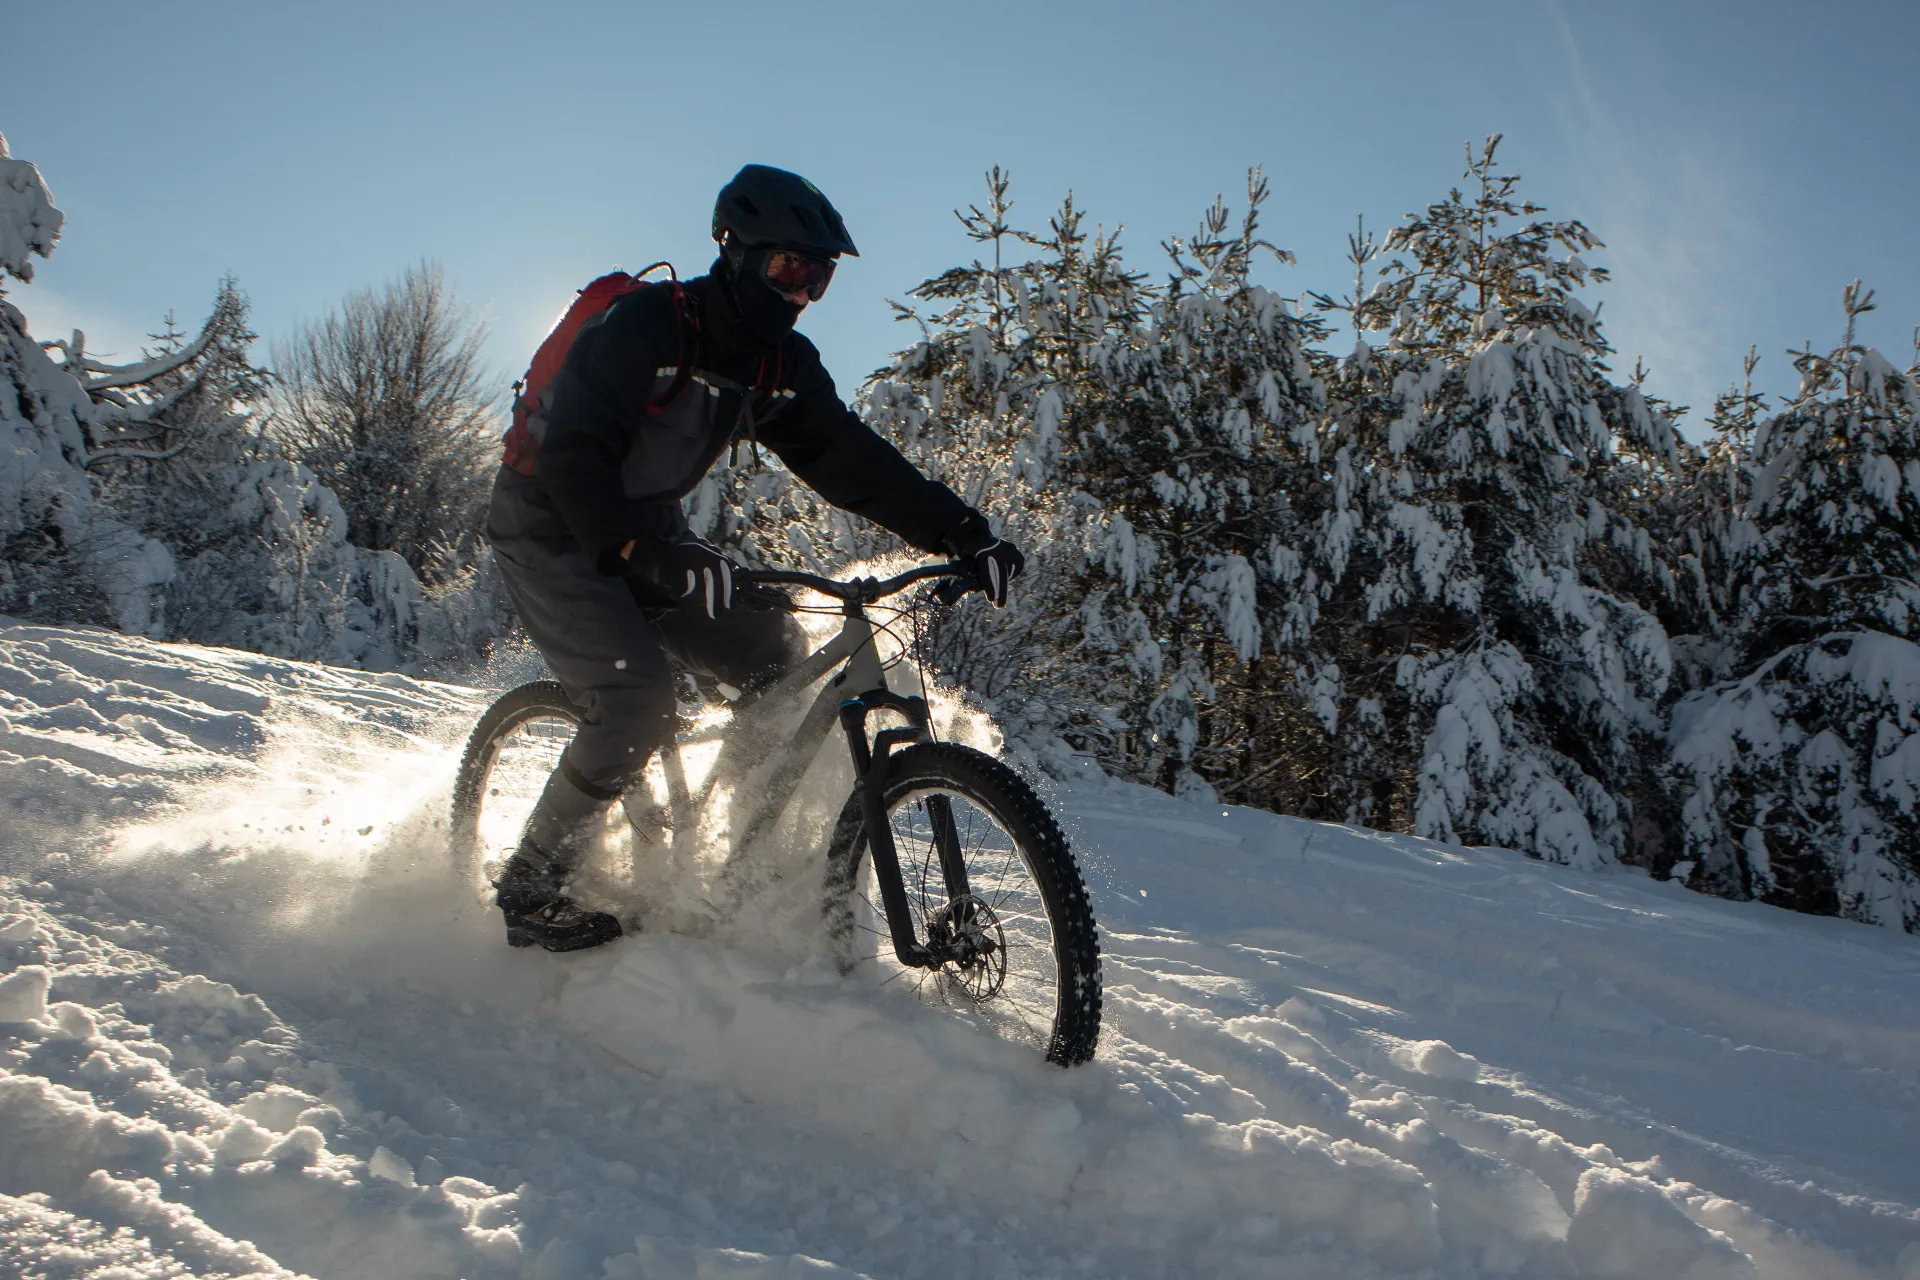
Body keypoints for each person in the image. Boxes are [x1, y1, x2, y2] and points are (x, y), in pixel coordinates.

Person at [483, 164, 1025, 952]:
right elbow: (574, 457)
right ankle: (529, 885)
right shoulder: (648, 329)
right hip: (549, 523)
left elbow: (850, 460)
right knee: (636, 703)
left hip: (649, 530)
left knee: (776, 664)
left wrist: (964, 532)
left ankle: (729, 857)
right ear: (735, 252)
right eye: (788, 269)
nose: (801, 294)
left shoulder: (779, 367)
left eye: (819, 279)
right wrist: (639, 550)